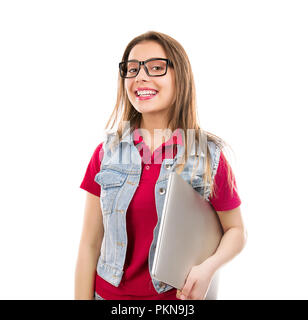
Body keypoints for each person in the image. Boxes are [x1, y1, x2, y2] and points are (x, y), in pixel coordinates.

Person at [74, 31, 247, 300]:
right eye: (132, 70)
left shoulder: (203, 156)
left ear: (181, 78)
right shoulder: (107, 154)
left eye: (156, 67)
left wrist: (208, 269)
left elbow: (236, 231)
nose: (140, 77)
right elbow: (89, 244)